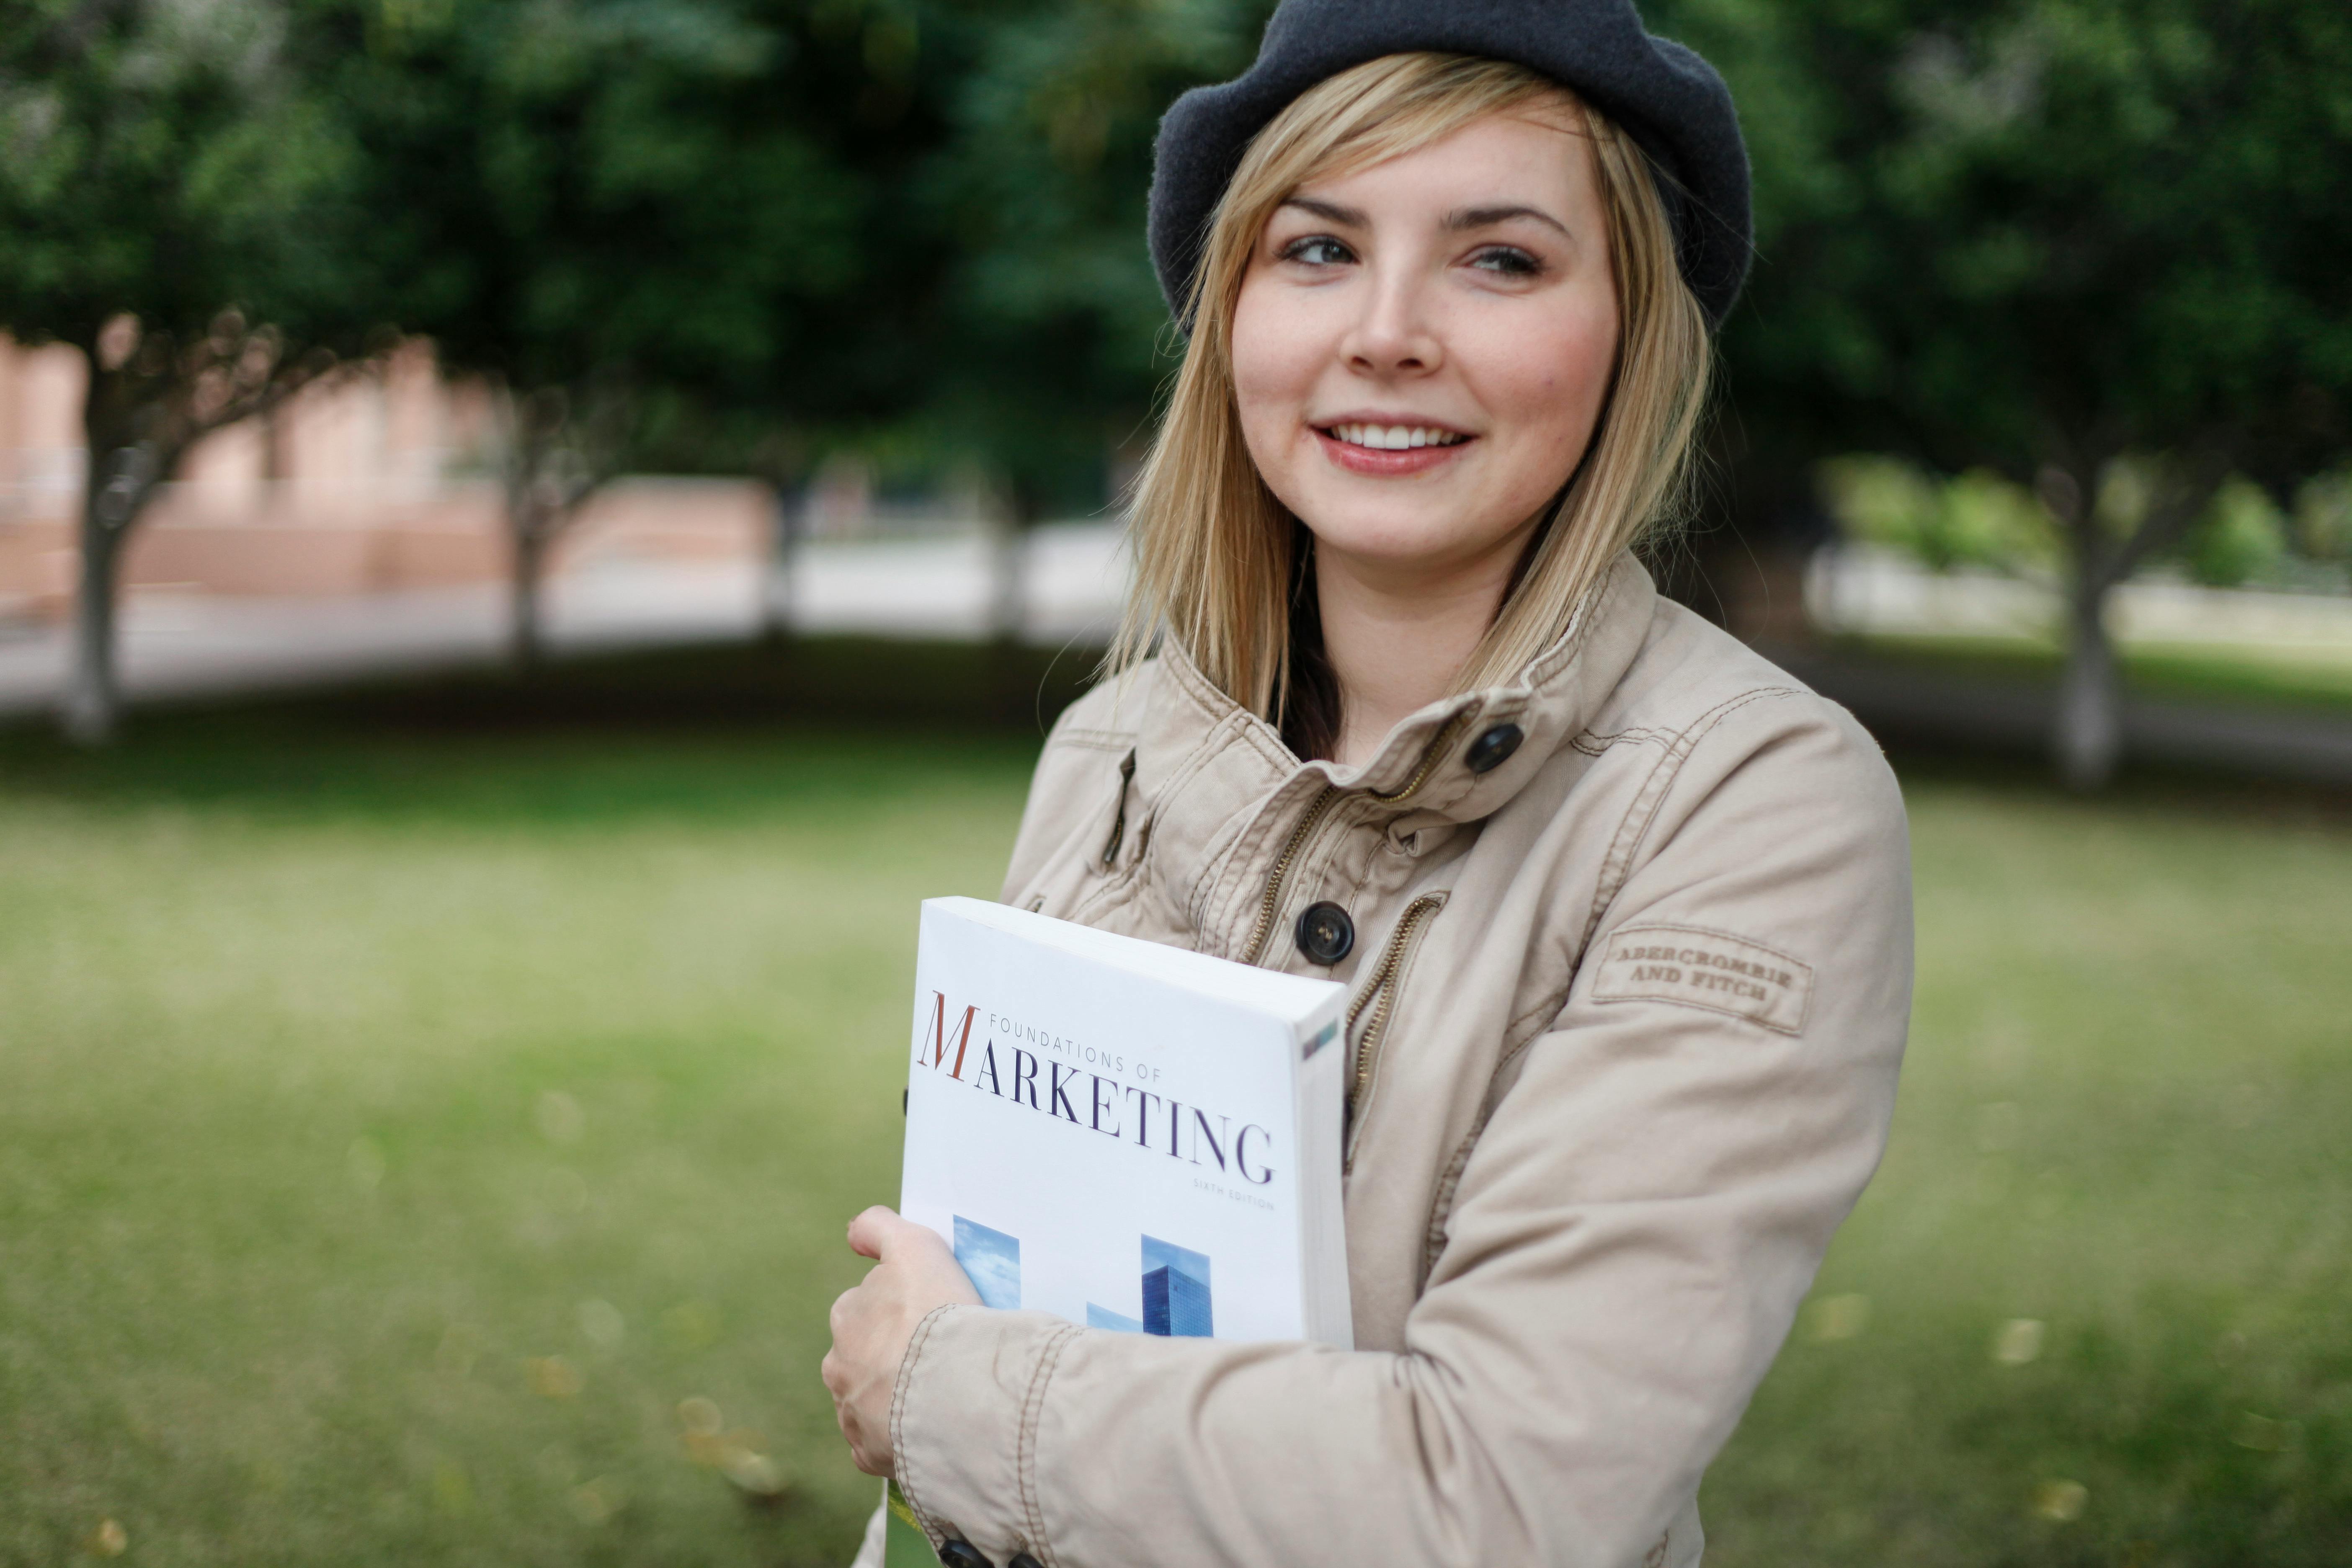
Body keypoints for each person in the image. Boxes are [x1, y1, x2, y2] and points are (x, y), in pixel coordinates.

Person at [823, 3, 1912, 1563]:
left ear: (1629, 333)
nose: (1387, 330)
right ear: (1232, 316)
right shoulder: (1111, 748)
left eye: (1500, 258)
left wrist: (944, 1393)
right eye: (1319, 249)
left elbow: (1508, 1502)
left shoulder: (1752, 804)